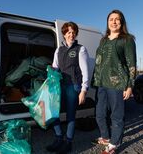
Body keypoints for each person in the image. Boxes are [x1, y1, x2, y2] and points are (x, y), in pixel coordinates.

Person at [92, 10, 137, 154]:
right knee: (99, 114)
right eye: (111, 19)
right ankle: (105, 137)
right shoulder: (103, 40)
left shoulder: (127, 39)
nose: (114, 21)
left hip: (118, 83)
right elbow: (99, 62)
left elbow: (132, 64)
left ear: (122, 22)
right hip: (102, 83)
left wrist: (130, 85)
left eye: (117, 19)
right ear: (107, 22)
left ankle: (113, 144)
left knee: (116, 116)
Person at [46, 22, 89, 153]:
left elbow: (85, 71)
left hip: (74, 86)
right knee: (53, 112)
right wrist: (50, 77)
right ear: (64, 34)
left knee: (71, 115)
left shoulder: (80, 49)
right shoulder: (59, 50)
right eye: (68, 32)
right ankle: (59, 138)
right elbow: (55, 67)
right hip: (60, 86)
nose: (71, 34)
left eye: (73, 32)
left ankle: (68, 142)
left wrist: (83, 90)